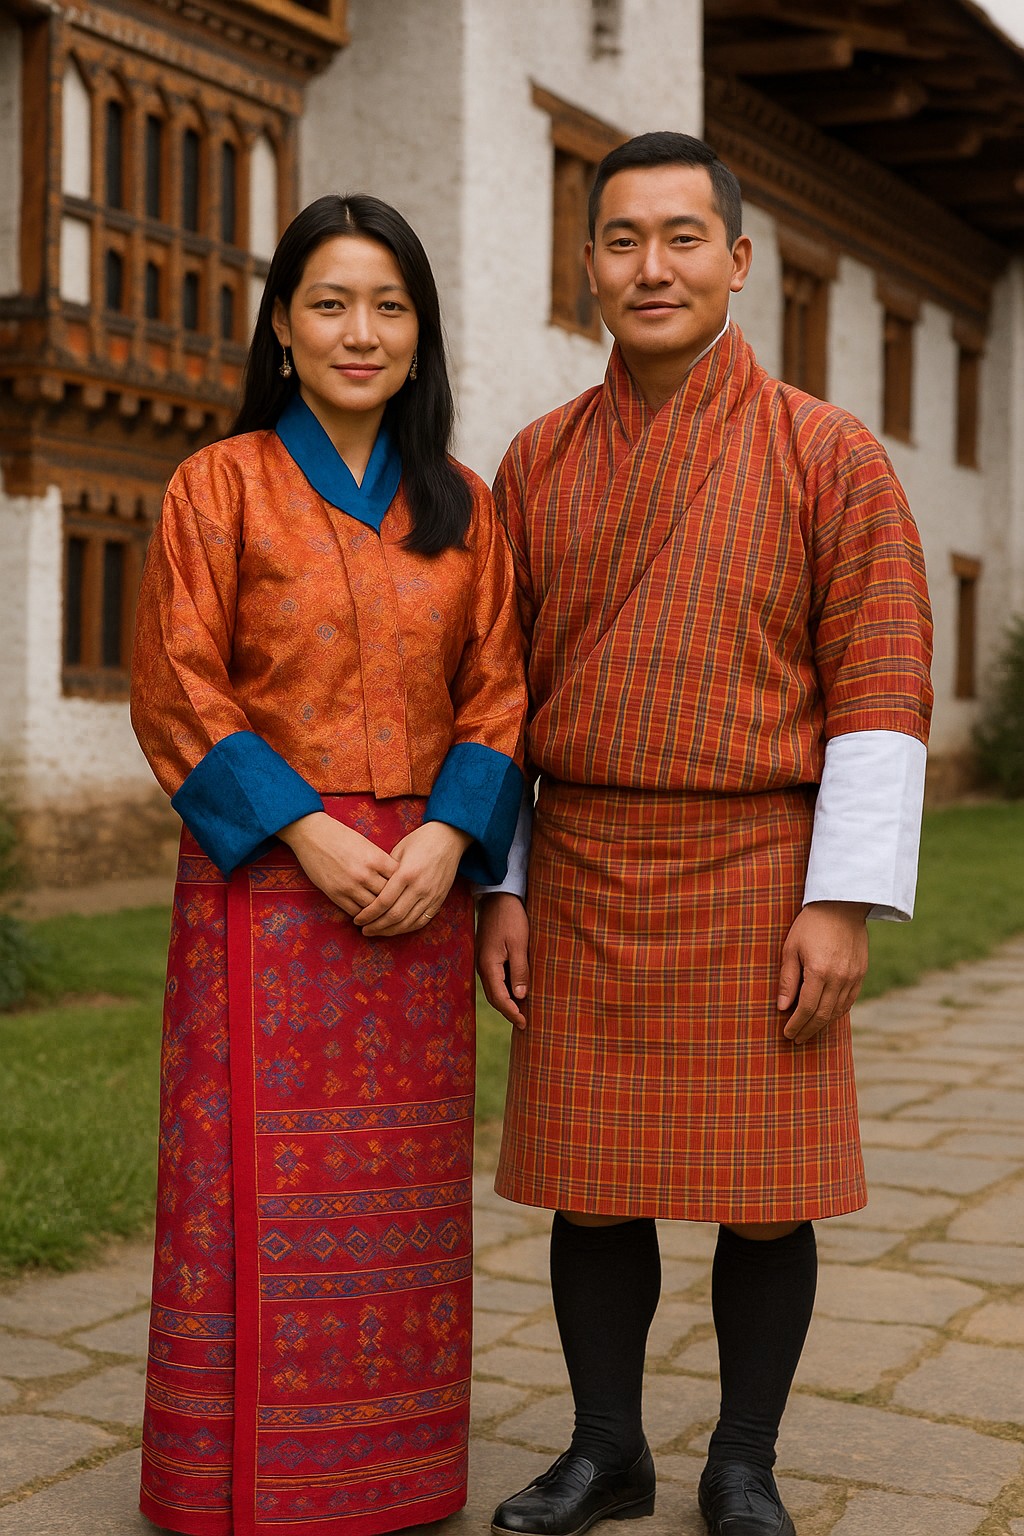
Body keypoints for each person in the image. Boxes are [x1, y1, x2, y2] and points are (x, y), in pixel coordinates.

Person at [477, 133, 932, 1536]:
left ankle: (744, 1463)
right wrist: (503, 883)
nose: (652, 266)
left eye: (683, 238)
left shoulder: (829, 455)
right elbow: (496, 696)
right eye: (623, 239)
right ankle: (607, 1450)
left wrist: (842, 900)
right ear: (590, 265)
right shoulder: (538, 461)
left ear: (737, 262)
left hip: (762, 871)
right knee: (594, 1187)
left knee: (766, 1195)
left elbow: (881, 685)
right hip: (584, 864)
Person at [130, 193, 526, 1536]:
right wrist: (309, 832)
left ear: (420, 336)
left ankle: (392, 1476)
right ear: (283, 328)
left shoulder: (464, 508)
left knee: (399, 1199)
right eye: (332, 303)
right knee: (246, 1182)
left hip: (419, 893)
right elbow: (177, 684)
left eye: (389, 307)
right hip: (261, 884)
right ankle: (232, 1485)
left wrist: (445, 839)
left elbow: (499, 693)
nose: (362, 332)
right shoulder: (218, 485)